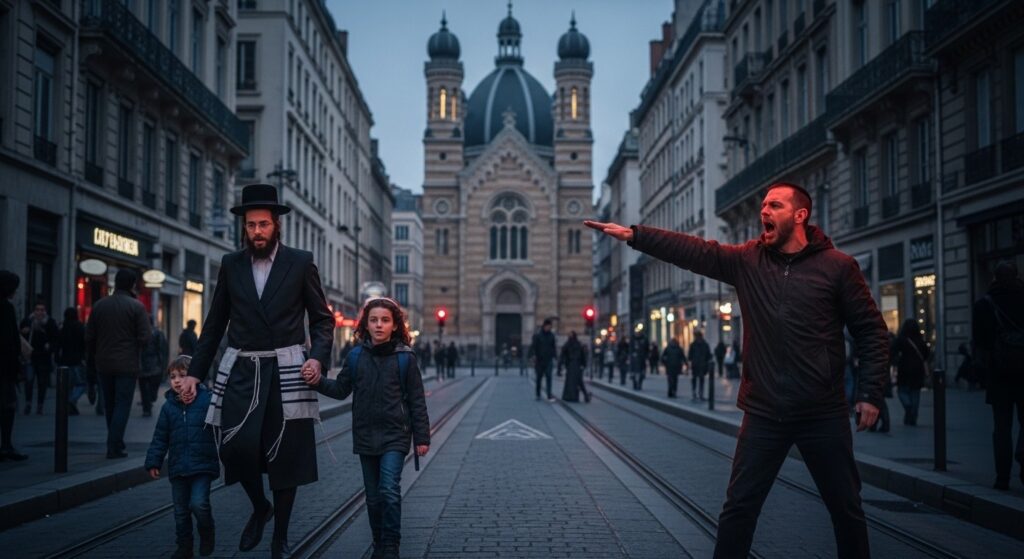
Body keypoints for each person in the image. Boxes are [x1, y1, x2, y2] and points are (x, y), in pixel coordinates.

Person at [586, 181, 888, 558]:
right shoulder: (749, 260)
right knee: (739, 509)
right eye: (762, 204)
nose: (764, 211)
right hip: (764, 410)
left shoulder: (838, 268)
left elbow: (871, 331)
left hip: (821, 412)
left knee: (846, 509)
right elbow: (695, 251)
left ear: (800, 215)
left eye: (774, 205)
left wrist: (870, 393)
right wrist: (636, 236)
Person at [178, 184, 333, 558]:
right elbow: (214, 324)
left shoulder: (300, 262)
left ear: (276, 225)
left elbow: (323, 320)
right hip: (243, 370)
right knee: (234, 448)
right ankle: (260, 507)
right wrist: (195, 373)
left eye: (264, 224)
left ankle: (279, 537)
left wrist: (317, 358)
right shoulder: (231, 264)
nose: (258, 231)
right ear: (244, 228)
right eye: (251, 226)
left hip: (287, 368)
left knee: (285, 458)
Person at [304, 297, 429, 559]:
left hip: (395, 435)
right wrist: (316, 381)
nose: (379, 325)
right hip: (365, 435)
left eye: (385, 320)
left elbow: (417, 401)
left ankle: (391, 545)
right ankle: (378, 543)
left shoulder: (405, 358)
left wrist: (421, 437)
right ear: (366, 325)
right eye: (374, 320)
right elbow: (340, 389)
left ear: (395, 326)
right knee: (372, 499)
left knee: (389, 491)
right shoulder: (356, 356)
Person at [145, 355, 219, 559]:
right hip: (178, 467)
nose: (177, 380)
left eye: (183, 376)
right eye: (173, 376)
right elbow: (160, 437)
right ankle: (184, 548)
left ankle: (207, 531)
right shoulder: (168, 408)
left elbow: (222, 426)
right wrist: (154, 461)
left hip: (203, 465)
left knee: (198, 503)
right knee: (180, 512)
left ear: (195, 378)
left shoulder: (207, 401)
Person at [86, 270, 152, 458]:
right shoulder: (136, 307)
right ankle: (114, 445)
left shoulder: (99, 306)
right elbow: (146, 337)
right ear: (132, 285)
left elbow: (89, 336)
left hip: (103, 363)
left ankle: (115, 442)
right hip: (127, 363)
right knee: (122, 404)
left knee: (109, 404)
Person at [973, 260, 1024, 491]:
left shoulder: (984, 304)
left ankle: (1002, 477)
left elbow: (980, 343)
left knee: (1001, 426)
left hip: (999, 373)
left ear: (994, 277)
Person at [0, 271, 28, 461]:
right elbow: (10, 341)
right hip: (4, 367)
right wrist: (17, 366)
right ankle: (6, 445)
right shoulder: (6, 309)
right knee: (7, 405)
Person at [20, 300, 59, 415]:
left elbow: (55, 339)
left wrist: (50, 346)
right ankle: (28, 403)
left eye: (42, 310)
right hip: (30, 357)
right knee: (29, 381)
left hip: (44, 357)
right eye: (37, 310)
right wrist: (24, 332)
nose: (39, 312)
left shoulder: (50, 323)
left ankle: (40, 405)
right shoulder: (28, 321)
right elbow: (20, 336)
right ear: (34, 310)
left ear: (45, 311)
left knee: (42, 383)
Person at [892, 319, 928, 427]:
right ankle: (913, 417)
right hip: (918, 369)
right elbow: (926, 353)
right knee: (915, 393)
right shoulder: (920, 340)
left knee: (902, 390)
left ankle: (908, 406)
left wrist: (896, 361)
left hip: (904, 368)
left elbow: (893, 351)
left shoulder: (901, 339)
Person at [56, 308, 87, 416]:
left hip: (65, 359)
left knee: (67, 385)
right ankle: (72, 400)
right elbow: (84, 343)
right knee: (81, 384)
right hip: (77, 360)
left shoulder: (63, 327)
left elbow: (58, 344)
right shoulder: (80, 327)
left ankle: (69, 404)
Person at [139, 325, 169, 417]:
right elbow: (163, 350)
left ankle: (147, 407)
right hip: (154, 365)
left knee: (145, 388)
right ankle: (147, 406)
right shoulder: (158, 333)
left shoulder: (141, 334)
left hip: (145, 365)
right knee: (151, 387)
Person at [529, 319, 557, 401]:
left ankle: (549, 395)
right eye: (548, 326)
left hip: (548, 360)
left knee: (549, 377)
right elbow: (533, 346)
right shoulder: (538, 335)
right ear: (544, 326)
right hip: (540, 360)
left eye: (550, 327)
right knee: (539, 378)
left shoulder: (551, 335)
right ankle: (538, 394)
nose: (549, 328)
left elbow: (553, 347)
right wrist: (533, 356)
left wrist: (555, 356)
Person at [559, 331, 590, 403]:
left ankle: (573, 396)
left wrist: (560, 366)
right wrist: (584, 365)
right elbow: (563, 356)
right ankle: (583, 396)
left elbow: (563, 356)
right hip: (574, 365)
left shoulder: (570, 344)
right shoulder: (576, 344)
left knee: (574, 381)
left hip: (573, 365)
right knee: (578, 381)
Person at [688, 331, 712, 401]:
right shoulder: (698, 345)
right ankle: (696, 393)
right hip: (698, 365)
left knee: (699, 379)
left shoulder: (697, 345)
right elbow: (690, 356)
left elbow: (690, 356)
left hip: (700, 365)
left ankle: (698, 393)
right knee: (697, 379)